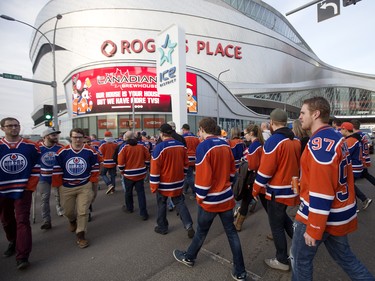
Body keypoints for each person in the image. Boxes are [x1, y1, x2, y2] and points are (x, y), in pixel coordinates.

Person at [291, 96, 374, 280]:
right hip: (337, 213)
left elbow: (322, 191)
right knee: (347, 259)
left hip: (318, 215)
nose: (300, 117)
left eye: (303, 112)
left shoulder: (319, 143)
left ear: (316, 114)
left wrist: (313, 228)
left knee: (299, 261)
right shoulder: (336, 137)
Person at [173, 117, 248, 281]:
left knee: (201, 231)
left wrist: (200, 196)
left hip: (210, 200)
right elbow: (231, 173)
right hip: (226, 197)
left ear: (202, 129)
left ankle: (189, 257)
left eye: (199, 131)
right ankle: (240, 271)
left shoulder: (204, 147)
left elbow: (203, 179)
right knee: (231, 233)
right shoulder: (225, 144)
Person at [252, 108, 301, 271]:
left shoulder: (274, 141)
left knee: (276, 226)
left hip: (276, 190)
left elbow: (266, 169)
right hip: (290, 188)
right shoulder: (295, 140)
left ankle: (282, 260)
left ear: (272, 123)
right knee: (283, 219)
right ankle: (299, 243)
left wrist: (255, 188)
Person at [0, 117, 41, 270]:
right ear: (3, 128)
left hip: (23, 190)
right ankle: (12, 240)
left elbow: (37, 167)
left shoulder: (31, 146)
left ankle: (22, 256)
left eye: (16, 125)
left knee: (22, 220)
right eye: (10, 126)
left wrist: (29, 186)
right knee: (6, 220)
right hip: (2, 190)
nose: (14, 128)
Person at [52, 128, 99, 249]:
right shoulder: (62, 152)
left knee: (83, 211)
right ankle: (72, 221)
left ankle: (81, 235)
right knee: (67, 211)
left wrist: (94, 187)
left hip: (84, 185)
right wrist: (57, 187)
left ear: (84, 138)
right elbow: (57, 170)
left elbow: (95, 169)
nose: (77, 140)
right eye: (75, 137)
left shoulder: (91, 151)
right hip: (67, 186)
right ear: (70, 138)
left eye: (80, 137)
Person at [149, 123, 195, 238]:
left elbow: (155, 169)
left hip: (164, 183)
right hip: (178, 181)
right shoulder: (181, 146)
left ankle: (162, 227)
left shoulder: (159, 148)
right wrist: (183, 175)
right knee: (180, 203)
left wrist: (153, 186)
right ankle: (188, 225)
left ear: (161, 134)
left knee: (162, 204)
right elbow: (186, 164)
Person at [234, 124, 265, 232]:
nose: (244, 136)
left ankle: (238, 224)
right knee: (246, 201)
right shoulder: (261, 144)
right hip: (260, 176)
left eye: (245, 133)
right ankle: (237, 223)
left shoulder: (253, 147)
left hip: (253, 177)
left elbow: (252, 166)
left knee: (246, 201)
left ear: (251, 133)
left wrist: (245, 164)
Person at [117, 131, 150, 220]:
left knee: (128, 192)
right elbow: (148, 158)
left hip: (128, 174)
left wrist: (122, 170)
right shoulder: (142, 146)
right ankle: (143, 213)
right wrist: (146, 166)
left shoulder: (124, 147)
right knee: (141, 193)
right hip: (140, 173)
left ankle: (129, 208)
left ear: (125, 138)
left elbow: (120, 162)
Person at [340, 122, 372, 211]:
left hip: (354, 166)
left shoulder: (350, 140)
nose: (340, 131)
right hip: (357, 165)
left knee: (349, 186)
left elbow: (345, 154)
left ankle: (357, 205)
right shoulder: (355, 139)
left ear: (345, 129)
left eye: (341, 129)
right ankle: (364, 200)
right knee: (350, 186)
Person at [37, 128, 64, 230]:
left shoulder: (60, 147)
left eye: (56, 135)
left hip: (57, 176)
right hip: (44, 177)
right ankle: (46, 220)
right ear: (46, 137)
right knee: (44, 199)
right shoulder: (38, 148)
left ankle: (60, 208)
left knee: (59, 196)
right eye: (53, 135)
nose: (56, 137)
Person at [351, 119, 375, 202]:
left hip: (359, 160)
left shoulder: (355, 136)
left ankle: (361, 200)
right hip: (364, 158)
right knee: (366, 175)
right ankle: (363, 199)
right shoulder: (363, 135)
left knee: (350, 183)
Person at [181, 123, 200, 196]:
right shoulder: (195, 137)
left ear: (184, 129)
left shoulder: (183, 137)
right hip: (194, 158)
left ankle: (196, 191)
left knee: (188, 176)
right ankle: (185, 190)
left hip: (187, 158)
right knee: (189, 175)